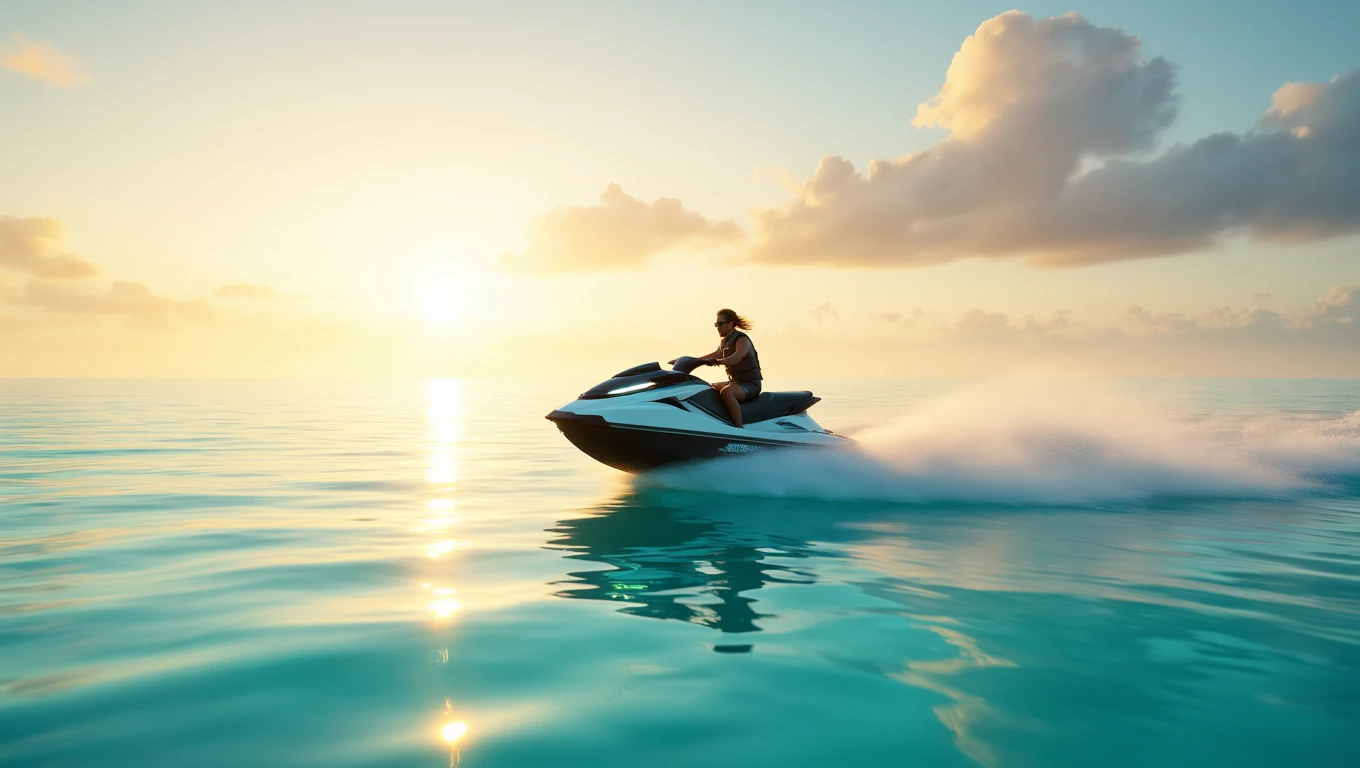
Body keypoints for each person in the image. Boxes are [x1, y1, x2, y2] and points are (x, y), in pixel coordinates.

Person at [669, 308, 761, 427]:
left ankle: (739, 427)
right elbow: (712, 356)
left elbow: (736, 358)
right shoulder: (725, 343)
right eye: (716, 324)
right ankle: (719, 422)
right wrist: (688, 361)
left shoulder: (741, 339)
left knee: (726, 391)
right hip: (737, 383)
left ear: (731, 324)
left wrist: (716, 362)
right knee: (707, 387)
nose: (717, 327)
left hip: (750, 384)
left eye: (720, 324)